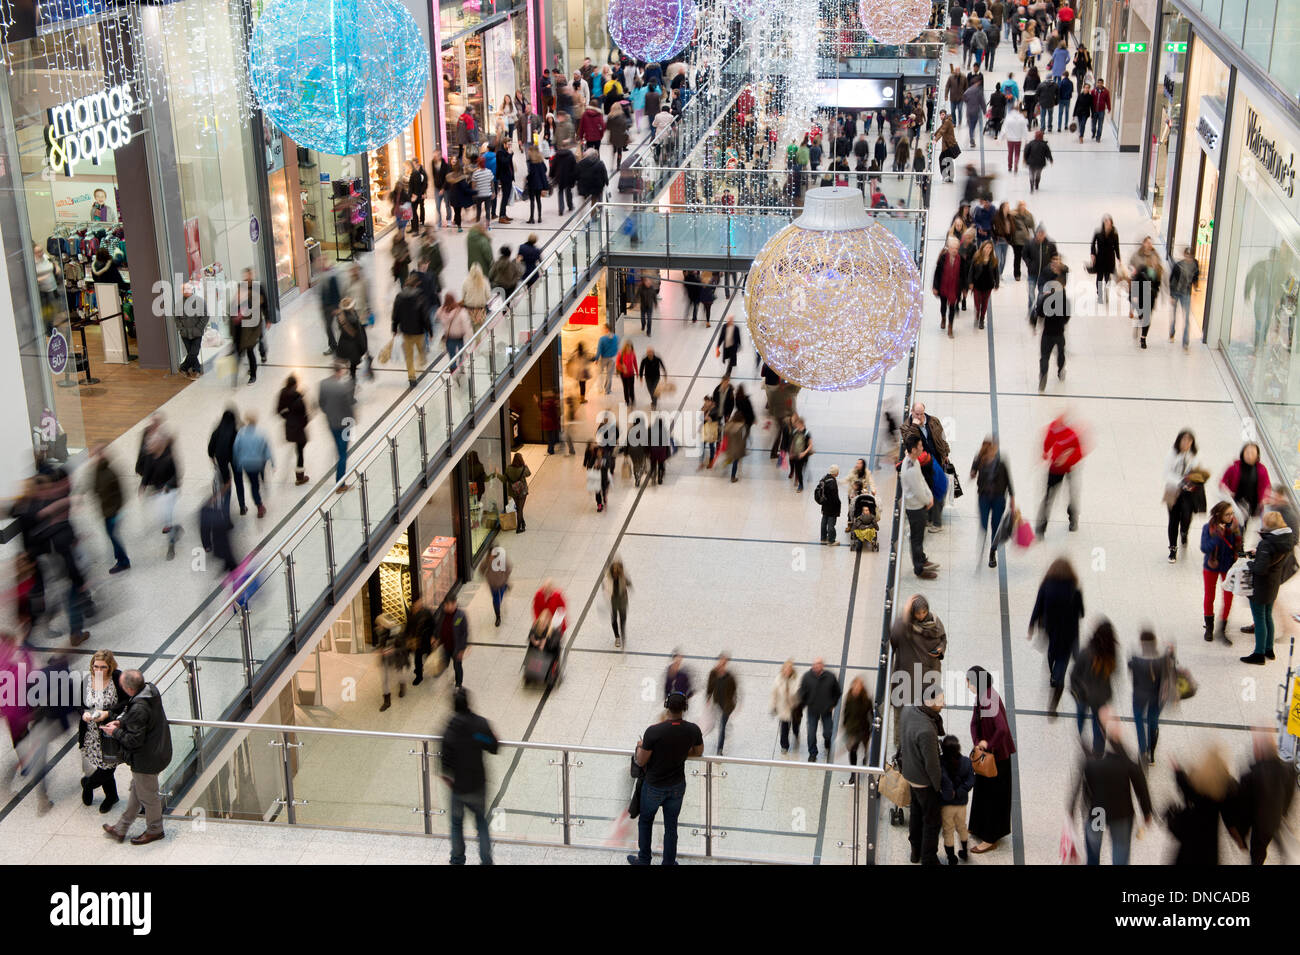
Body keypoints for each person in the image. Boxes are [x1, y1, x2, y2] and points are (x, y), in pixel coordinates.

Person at [629, 691, 703, 865]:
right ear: (685, 708)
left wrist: (641, 746)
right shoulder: (693, 729)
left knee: (646, 821)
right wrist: (681, 752)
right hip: (677, 786)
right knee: (671, 826)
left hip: (654, 786)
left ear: (666, 707)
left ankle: (644, 859)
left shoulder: (653, 732)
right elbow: (698, 752)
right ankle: (669, 862)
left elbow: (640, 761)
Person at [1071, 712, 1153, 866]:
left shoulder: (1092, 763)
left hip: (1098, 812)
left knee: (1093, 850)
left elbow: (1083, 789)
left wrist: (1078, 809)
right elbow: (1142, 789)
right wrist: (1147, 812)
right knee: (1120, 854)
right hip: (1122, 815)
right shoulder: (1129, 764)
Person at [101, 670, 172, 846]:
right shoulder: (150, 691)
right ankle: (121, 828)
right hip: (158, 750)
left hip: (146, 759)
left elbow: (133, 741)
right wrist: (123, 722)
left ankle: (155, 830)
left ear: (129, 688)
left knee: (148, 796)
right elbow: (141, 720)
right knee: (138, 790)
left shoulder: (139, 707)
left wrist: (115, 731)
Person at [440, 688, 499, 865]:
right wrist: (492, 738)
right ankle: (486, 860)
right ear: (468, 703)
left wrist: (448, 778)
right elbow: (493, 746)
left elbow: (445, 762)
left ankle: (457, 859)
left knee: (456, 824)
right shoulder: (480, 725)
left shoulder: (449, 729)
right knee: (481, 822)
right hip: (477, 784)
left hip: (457, 787)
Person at [965, 666, 1016, 853]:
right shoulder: (982, 696)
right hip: (987, 756)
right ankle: (979, 826)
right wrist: (978, 742)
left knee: (994, 797)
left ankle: (990, 838)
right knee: (983, 791)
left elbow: (1002, 728)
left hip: (997, 758)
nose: (967, 684)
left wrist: (988, 745)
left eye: (968, 680)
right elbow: (973, 723)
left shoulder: (988, 699)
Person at [889, 593, 946, 748]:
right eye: (917, 613)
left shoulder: (934, 621)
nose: (921, 616)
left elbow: (943, 638)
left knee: (926, 712)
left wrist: (940, 649)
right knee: (903, 715)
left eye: (924, 612)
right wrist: (905, 613)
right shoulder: (906, 628)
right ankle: (901, 747)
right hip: (907, 679)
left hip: (928, 676)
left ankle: (923, 742)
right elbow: (894, 636)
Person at [1232, 728, 1296, 864]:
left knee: (1258, 851)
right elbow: (1289, 793)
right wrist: (1284, 812)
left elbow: (1243, 808)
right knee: (1276, 835)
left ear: (1258, 751)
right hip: (1276, 816)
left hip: (1261, 824)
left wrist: (1241, 835)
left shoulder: (1249, 777)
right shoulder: (1288, 769)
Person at [1029, 558, 1085, 713]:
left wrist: (1031, 625)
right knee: (1062, 662)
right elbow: (1082, 613)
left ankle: (1054, 677)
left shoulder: (1046, 587)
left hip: (1050, 632)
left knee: (1051, 656)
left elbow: (1037, 606)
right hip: (1068, 635)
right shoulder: (1075, 590)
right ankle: (1055, 691)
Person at [1241, 509, 1295, 665]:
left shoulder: (1266, 544)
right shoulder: (1286, 540)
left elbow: (1260, 569)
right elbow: (1272, 559)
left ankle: (1258, 654)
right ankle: (1269, 650)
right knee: (1268, 616)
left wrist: (1250, 562)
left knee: (1259, 619)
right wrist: (1260, 553)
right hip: (1273, 584)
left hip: (1261, 586)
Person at [1169, 747, 1237, 865]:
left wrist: (1178, 770)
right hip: (1209, 845)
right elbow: (1229, 814)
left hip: (1191, 842)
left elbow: (1186, 788)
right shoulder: (1222, 790)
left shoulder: (1200, 784)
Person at [900, 690, 946, 865]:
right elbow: (932, 765)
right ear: (928, 701)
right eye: (941, 700)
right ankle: (928, 857)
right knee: (932, 820)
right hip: (923, 780)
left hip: (909, 771)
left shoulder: (908, 709)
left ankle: (915, 850)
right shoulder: (927, 729)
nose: (944, 703)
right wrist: (938, 786)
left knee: (916, 812)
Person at [79, 649, 124, 812]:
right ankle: (112, 796)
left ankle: (88, 784)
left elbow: (126, 702)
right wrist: (84, 713)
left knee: (109, 764)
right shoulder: (87, 680)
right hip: (92, 732)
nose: (98, 670)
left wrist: (108, 713)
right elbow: (79, 703)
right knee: (103, 763)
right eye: (95, 666)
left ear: (110, 667)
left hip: (110, 731)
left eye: (103, 667)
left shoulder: (118, 678)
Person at [136, 416, 182, 561]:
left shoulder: (169, 457)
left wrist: (167, 487)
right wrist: (143, 485)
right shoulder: (150, 456)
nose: (149, 447)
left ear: (159, 444)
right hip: (158, 489)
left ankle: (171, 542)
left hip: (170, 490)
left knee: (166, 516)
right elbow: (148, 471)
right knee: (162, 516)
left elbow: (176, 475)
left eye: (152, 444)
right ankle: (173, 529)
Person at [1070, 620, 1118, 754]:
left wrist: (1077, 691)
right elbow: (1114, 672)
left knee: (1081, 716)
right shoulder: (1111, 654)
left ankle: (1082, 742)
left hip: (1084, 694)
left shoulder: (1086, 653)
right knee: (1099, 725)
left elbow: (1074, 675)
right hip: (1101, 696)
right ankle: (1098, 751)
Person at [901, 403, 950, 529]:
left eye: (921, 413)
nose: (920, 416)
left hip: (936, 459)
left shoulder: (933, 421)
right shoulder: (906, 426)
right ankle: (929, 515)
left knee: (936, 487)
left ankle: (935, 517)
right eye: (917, 414)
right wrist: (915, 426)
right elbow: (908, 441)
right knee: (925, 487)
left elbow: (942, 438)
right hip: (922, 463)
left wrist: (945, 453)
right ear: (911, 412)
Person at [1201, 500, 1244, 644]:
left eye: (1232, 513)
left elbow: (1239, 546)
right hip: (1211, 566)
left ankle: (1222, 628)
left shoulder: (1236, 528)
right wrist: (1217, 537)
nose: (1231, 517)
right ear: (1219, 515)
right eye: (1228, 514)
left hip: (1229, 566)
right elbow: (1205, 548)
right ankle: (1209, 626)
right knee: (1209, 595)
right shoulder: (1209, 528)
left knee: (1228, 598)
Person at [1126, 629, 1169, 766]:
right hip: (1157, 696)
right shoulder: (1163, 659)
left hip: (1140, 696)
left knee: (1139, 719)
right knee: (1153, 721)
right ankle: (1152, 754)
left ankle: (1142, 749)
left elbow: (1130, 667)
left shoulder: (1136, 660)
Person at [969, 436, 1014, 568]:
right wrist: (972, 473)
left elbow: (1009, 481)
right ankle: (983, 545)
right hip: (984, 496)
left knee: (996, 525)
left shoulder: (1001, 463)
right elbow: (973, 472)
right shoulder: (979, 459)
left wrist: (1013, 498)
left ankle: (992, 553)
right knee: (983, 523)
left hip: (998, 498)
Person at [1163, 429, 1207, 563]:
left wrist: (1193, 480)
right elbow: (1167, 474)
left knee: (1187, 517)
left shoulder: (1195, 455)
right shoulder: (1172, 454)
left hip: (1189, 492)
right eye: (1184, 440)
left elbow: (1199, 472)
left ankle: (1184, 532)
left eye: (1189, 441)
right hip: (1173, 490)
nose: (1186, 443)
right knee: (1173, 519)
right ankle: (1172, 549)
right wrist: (1181, 482)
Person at [1037, 412, 1083, 536]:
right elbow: (1049, 438)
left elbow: (1079, 452)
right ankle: (1041, 526)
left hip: (1069, 468)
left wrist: (1066, 459)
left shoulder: (1072, 435)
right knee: (1048, 497)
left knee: (1072, 495)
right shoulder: (1054, 426)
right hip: (1055, 469)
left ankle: (1073, 518)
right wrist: (1045, 451)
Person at [902, 437, 938, 579]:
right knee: (916, 539)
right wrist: (926, 501)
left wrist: (929, 495)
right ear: (913, 449)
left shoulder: (914, 461)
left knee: (920, 536)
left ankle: (922, 559)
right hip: (915, 507)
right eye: (920, 446)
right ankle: (919, 569)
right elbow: (917, 490)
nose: (922, 448)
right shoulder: (909, 468)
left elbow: (922, 480)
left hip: (920, 503)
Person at [90, 444, 129, 574]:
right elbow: (95, 488)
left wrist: (117, 510)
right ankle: (121, 560)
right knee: (112, 535)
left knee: (113, 536)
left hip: (112, 512)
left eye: (97, 454)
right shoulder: (97, 471)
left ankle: (123, 561)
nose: (94, 457)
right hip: (106, 511)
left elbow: (120, 494)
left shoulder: (109, 473)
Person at [319, 360, 356, 487]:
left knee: (338, 449)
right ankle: (340, 483)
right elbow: (348, 408)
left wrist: (329, 413)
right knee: (343, 454)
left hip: (331, 423)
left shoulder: (323, 384)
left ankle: (340, 479)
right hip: (344, 425)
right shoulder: (344, 387)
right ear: (340, 371)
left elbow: (321, 404)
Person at [1220, 441, 1271, 532]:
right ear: (1242, 453)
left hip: (1251, 505)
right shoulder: (1234, 467)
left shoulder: (1261, 469)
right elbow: (1222, 481)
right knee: (1235, 525)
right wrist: (1227, 490)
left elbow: (1266, 486)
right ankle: (1236, 542)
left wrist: (1264, 499)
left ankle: (1239, 541)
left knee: (1243, 526)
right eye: (1247, 452)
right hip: (1235, 502)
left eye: (1252, 453)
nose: (1249, 455)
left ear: (1257, 455)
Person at [939, 734, 974, 863]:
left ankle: (951, 858)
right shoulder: (966, 761)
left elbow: (942, 779)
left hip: (946, 805)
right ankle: (964, 852)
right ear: (958, 747)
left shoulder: (941, 762)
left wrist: (950, 793)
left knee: (948, 831)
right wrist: (960, 792)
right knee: (962, 827)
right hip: (961, 804)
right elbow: (971, 781)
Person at [798, 657, 841, 762]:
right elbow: (802, 693)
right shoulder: (807, 677)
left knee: (828, 732)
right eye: (815, 664)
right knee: (811, 733)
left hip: (826, 710)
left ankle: (827, 741)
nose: (816, 666)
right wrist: (801, 706)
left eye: (818, 664)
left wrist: (833, 704)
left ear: (822, 666)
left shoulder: (830, 677)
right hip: (812, 711)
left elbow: (837, 691)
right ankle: (812, 753)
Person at [232, 412, 272, 520]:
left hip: (246, 464)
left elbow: (236, 448)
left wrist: (237, 461)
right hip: (257, 462)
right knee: (256, 483)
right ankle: (259, 504)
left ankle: (259, 504)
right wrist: (271, 461)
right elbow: (266, 448)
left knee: (253, 484)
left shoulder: (241, 433)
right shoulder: (261, 433)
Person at [1128, 236, 1164, 348]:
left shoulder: (1156, 261)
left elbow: (1159, 279)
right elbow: (1131, 268)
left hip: (1151, 293)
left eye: (1150, 243)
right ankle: (1140, 319)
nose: (1149, 245)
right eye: (1147, 242)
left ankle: (1143, 338)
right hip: (1139, 289)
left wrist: (1157, 291)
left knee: (1147, 316)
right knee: (1142, 314)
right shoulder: (1140, 262)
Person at [932, 235, 967, 336]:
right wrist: (935, 286)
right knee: (943, 306)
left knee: (952, 308)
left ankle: (950, 326)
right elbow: (937, 273)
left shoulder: (961, 260)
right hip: (943, 286)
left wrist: (964, 288)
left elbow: (963, 275)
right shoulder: (943, 258)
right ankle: (943, 318)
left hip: (954, 288)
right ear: (949, 248)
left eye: (956, 248)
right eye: (953, 248)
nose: (955, 250)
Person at [432, 593, 469, 689]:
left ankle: (458, 684)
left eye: (448, 605)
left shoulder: (460, 616)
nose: (446, 607)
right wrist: (435, 637)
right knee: (444, 661)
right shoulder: (442, 613)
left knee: (457, 666)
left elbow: (464, 633)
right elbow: (438, 625)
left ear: (454, 604)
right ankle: (441, 671)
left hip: (456, 647)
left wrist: (462, 650)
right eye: (445, 605)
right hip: (445, 646)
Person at [704, 653, 739, 755]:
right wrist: (708, 697)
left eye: (724, 662)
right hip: (718, 702)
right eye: (721, 661)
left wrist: (735, 703)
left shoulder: (730, 677)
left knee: (722, 726)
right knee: (720, 721)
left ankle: (719, 750)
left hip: (728, 706)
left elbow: (734, 690)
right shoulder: (713, 673)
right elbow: (709, 686)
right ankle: (726, 725)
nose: (721, 664)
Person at [374, 612, 409, 711]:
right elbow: (381, 644)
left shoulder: (398, 633)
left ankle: (402, 685)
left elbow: (403, 648)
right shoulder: (380, 631)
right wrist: (380, 649)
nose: (378, 626)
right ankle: (387, 701)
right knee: (384, 680)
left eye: (380, 624)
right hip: (385, 660)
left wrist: (393, 650)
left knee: (399, 675)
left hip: (397, 659)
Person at [1168, 246, 1201, 348]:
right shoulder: (1178, 266)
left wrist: (1195, 286)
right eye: (1187, 255)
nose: (1188, 258)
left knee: (1186, 317)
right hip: (1176, 292)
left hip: (1186, 293)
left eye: (1190, 256)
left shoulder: (1195, 265)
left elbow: (1195, 276)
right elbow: (1171, 280)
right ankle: (1172, 332)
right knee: (1174, 315)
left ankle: (1185, 342)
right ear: (1184, 255)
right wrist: (1172, 296)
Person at [841, 676, 873, 781]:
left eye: (859, 687)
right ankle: (853, 773)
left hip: (863, 729)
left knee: (864, 746)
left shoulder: (866, 700)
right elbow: (846, 712)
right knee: (852, 751)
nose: (856, 689)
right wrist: (844, 725)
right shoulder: (849, 698)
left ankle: (865, 755)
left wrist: (872, 726)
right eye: (855, 686)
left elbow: (870, 713)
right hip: (852, 730)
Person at [771, 659, 802, 755]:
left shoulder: (797, 679)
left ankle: (796, 733)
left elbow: (799, 693)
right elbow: (774, 694)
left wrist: (791, 694)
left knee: (795, 724)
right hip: (783, 707)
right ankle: (784, 746)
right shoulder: (778, 679)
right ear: (783, 669)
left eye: (789, 669)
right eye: (786, 669)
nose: (787, 671)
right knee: (784, 728)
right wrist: (773, 705)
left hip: (795, 707)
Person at [1090, 214, 1121, 304]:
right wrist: (1093, 254)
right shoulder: (1098, 233)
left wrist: (1119, 258)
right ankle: (1099, 294)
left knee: (1107, 278)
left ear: (1111, 223)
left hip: (1109, 260)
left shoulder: (1114, 234)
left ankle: (1106, 292)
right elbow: (1092, 244)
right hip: (1100, 259)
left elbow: (1116, 247)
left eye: (1108, 222)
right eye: (1105, 222)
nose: (1107, 223)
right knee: (1099, 278)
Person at [478, 545, 512, 627]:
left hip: (500, 584)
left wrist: (504, 579)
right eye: (490, 555)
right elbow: (481, 569)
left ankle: (498, 617)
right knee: (496, 598)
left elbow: (508, 569)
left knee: (496, 601)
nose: (491, 557)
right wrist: (486, 575)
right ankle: (506, 587)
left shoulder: (502, 560)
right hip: (492, 584)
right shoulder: (487, 560)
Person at [969, 239, 999, 331]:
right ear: (983, 248)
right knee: (977, 303)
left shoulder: (993, 260)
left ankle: (982, 319)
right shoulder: (977, 257)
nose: (988, 249)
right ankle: (977, 313)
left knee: (985, 303)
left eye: (990, 248)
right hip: (977, 284)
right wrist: (970, 282)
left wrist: (997, 283)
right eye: (987, 247)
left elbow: (996, 273)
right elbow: (971, 271)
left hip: (988, 285)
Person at [502, 452, 531, 532]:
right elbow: (529, 474)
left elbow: (504, 479)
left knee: (519, 508)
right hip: (522, 492)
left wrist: (497, 474)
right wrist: (526, 466)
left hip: (513, 492)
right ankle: (519, 527)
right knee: (520, 509)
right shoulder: (523, 468)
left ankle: (523, 522)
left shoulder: (508, 468)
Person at [815, 464, 842, 544]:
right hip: (832, 507)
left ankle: (823, 538)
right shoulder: (832, 482)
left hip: (825, 505)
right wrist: (838, 504)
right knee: (831, 524)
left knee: (824, 521)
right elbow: (835, 497)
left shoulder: (825, 478)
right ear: (836, 472)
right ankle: (831, 540)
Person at [788, 415, 814, 493]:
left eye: (797, 424)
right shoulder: (795, 432)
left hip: (804, 455)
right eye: (796, 425)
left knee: (803, 468)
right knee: (798, 470)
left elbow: (810, 445)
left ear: (802, 424)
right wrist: (791, 452)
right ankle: (801, 485)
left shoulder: (807, 433)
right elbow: (793, 442)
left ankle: (802, 477)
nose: (796, 426)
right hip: (796, 454)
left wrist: (804, 453)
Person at [720, 412, 747, 483]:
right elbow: (743, 437)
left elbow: (724, 433)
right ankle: (733, 477)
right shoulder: (741, 426)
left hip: (728, 446)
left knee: (729, 458)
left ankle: (723, 468)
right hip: (736, 447)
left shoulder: (729, 424)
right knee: (735, 461)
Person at [493, 139, 515, 223]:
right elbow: (505, 162)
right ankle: (501, 216)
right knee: (505, 197)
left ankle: (504, 214)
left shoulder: (506, 152)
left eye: (510, 144)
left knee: (506, 197)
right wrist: (510, 155)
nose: (510, 146)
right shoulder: (500, 152)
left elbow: (510, 165)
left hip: (509, 178)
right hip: (504, 178)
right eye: (508, 144)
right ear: (504, 144)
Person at [615, 340, 638, 407]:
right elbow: (617, 364)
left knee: (631, 387)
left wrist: (637, 372)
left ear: (632, 347)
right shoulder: (621, 354)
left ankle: (632, 399)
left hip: (631, 373)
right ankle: (627, 401)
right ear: (625, 347)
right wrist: (623, 367)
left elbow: (635, 363)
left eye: (630, 347)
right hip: (623, 374)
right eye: (627, 347)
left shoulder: (633, 353)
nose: (629, 348)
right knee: (625, 387)